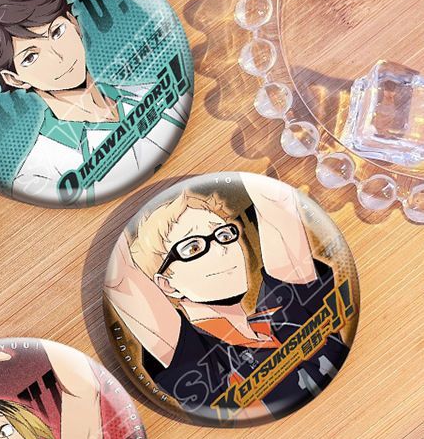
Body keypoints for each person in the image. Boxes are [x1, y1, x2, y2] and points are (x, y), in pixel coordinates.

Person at [104, 174, 350, 421]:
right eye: (193, 247)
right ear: (167, 284)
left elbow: (276, 201)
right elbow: (120, 280)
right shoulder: (198, 358)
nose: (223, 248)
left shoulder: (286, 311)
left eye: (223, 235)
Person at [0, 0, 191, 205]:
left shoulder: (157, 92)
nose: (58, 56)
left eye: (57, 32)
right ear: (14, 79)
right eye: (31, 57)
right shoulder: (39, 176)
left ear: (74, 23)